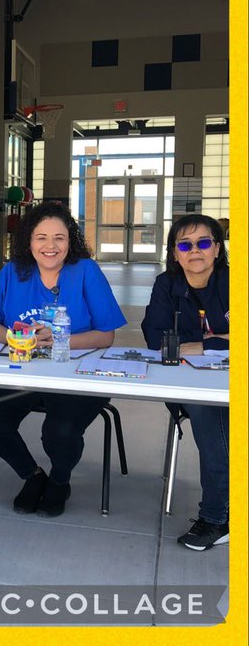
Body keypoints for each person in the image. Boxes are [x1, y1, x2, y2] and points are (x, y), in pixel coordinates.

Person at [0, 202, 126, 517]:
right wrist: (14, 338)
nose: (50, 246)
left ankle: (59, 481)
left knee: (59, 431)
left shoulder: (85, 270)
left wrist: (59, 340)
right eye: (41, 237)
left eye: (59, 237)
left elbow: (105, 336)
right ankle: (33, 476)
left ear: (70, 241)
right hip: (24, 369)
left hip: (79, 372)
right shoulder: (12, 272)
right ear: (28, 241)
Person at [141, 215, 229, 551]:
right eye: (185, 244)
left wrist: (204, 343)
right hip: (187, 382)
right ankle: (217, 518)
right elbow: (155, 338)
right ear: (175, 253)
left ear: (217, 249)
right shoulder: (167, 285)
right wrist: (224, 338)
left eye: (204, 243)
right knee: (209, 411)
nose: (195, 251)